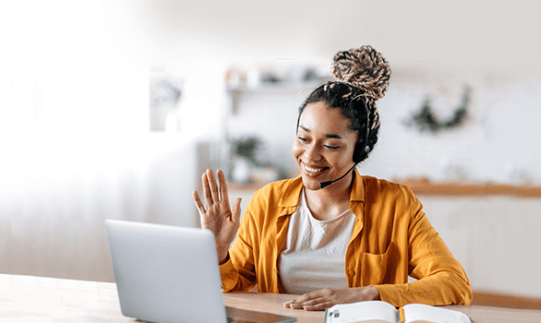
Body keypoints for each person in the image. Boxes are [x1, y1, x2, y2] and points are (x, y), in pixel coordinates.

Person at [192, 45, 473, 311]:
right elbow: (233, 283)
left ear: (359, 150)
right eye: (303, 138)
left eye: (331, 145)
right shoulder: (268, 201)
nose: (310, 156)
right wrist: (218, 251)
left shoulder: (395, 204)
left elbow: (454, 284)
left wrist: (369, 294)